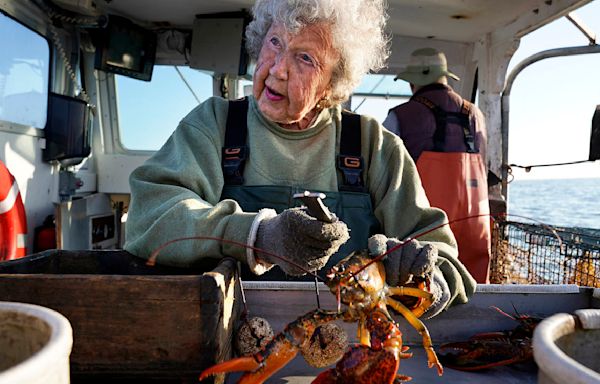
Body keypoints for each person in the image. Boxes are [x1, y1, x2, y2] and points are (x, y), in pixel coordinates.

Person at [124, 0, 475, 318]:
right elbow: (149, 217)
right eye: (275, 42)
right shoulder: (214, 125)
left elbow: (446, 262)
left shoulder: (373, 146)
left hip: (351, 351)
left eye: (305, 58)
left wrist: (423, 278)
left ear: (332, 85)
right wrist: (257, 236)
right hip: (227, 338)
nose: (278, 70)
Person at [383, 47, 492, 283]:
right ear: (444, 78)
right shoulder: (476, 115)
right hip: (475, 222)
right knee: (474, 286)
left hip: (426, 226)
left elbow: (382, 172)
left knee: (424, 286)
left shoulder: (399, 116)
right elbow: (484, 163)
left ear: (414, 83)